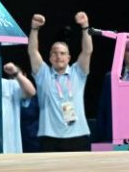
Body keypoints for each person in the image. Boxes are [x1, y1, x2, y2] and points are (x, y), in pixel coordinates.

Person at [28, 11, 93, 152]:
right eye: (55, 53)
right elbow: (33, 51)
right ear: (50, 58)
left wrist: (85, 26)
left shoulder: (78, 73)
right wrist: (34, 29)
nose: (59, 56)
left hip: (78, 136)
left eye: (63, 53)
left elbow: (87, 51)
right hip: (50, 139)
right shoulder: (43, 74)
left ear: (69, 58)